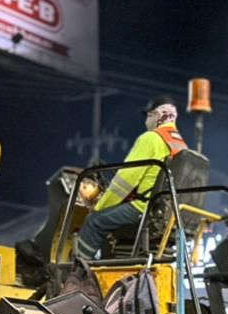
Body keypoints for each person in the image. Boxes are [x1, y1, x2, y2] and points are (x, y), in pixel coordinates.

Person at [75, 97, 187, 262]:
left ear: (157, 115)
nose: (147, 120)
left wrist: (100, 207)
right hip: (165, 213)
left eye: (149, 115)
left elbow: (126, 180)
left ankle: (77, 270)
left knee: (93, 222)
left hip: (142, 208)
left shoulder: (151, 138)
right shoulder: (179, 144)